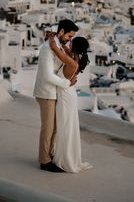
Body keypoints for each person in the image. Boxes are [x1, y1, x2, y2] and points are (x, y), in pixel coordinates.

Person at [33, 19, 79, 172]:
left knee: (54, 128)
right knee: (48, 128)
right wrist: (67, 84)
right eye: (69, 36)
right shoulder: (47, 49)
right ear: (61, 32)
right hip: (46, 92)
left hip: (53, 92)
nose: (69, 39)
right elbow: (47, 76)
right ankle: (44, 161)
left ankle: (49, 156)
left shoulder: (58, 44)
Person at [49, 35, 93, 173]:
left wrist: (52, 38)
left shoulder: (71, 61)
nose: (68, 43)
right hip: (69, 94)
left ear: (75, 46)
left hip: (66, 97)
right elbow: (63, 49)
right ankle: (64, 156)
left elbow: (55, 48)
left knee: (65, 128)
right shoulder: (74, 58)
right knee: (67, 127)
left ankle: (64, 160)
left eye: (71, 42)